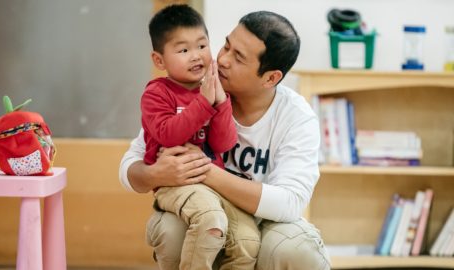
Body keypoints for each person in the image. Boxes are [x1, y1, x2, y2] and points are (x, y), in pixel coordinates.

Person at [120, 9, 331, 270]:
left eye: (238, 58)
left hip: (266, 222)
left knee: (297, 249)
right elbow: (130, 165)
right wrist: (155, 174)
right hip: (204, 210)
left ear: (271, 77)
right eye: (226, 46)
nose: (223, 60)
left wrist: (204, 171)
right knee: (173, 229)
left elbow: (290, 203)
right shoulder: (191, 90)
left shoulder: (296, 116)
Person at [138, 4, 261, 270]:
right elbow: (168, 136)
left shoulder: (213, 89)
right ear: (159, 60)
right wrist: (204, 103)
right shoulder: (156, 94)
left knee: (248, 240)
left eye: (202, 46)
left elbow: (223, 144)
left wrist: (220, 102)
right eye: (183, 50)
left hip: (214, 186)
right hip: (175, 185)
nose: (196, 56)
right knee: (211, 223)